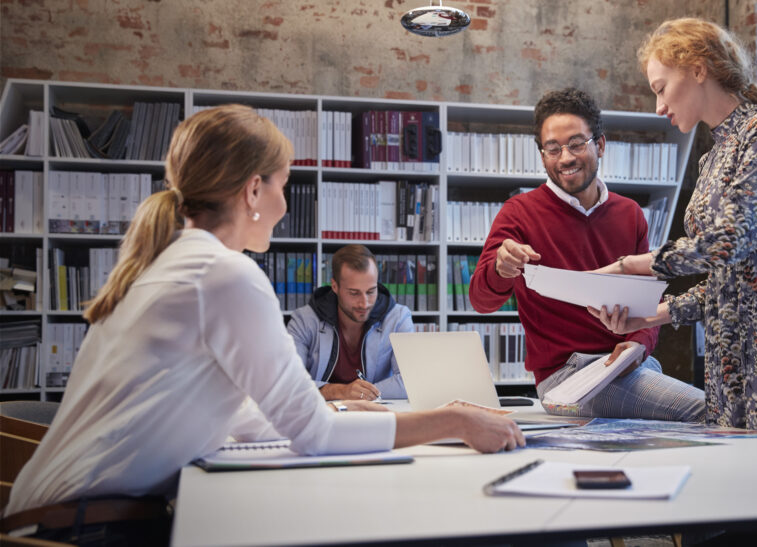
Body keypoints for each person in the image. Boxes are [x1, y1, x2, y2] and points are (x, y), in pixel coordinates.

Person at [6, 105, 523, 543]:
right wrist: (453, 419)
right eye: (284, 184)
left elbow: (255, 421)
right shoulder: (225, 274)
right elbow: (314, 434)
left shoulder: (171, 263)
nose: (284, 203)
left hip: (56, 518)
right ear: (253, 190)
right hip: (83, 528)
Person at [589, 17, 757, 439]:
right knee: (739, 474)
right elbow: (727, 279)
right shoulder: (712, 158)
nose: (659, 107)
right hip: (732, 342)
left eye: (660, 88)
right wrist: (650, 316)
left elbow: (727, 242)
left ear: (697, 69)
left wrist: (634, 265)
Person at [469, 87, 705, 422]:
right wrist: (499, 269)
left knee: (690, 411)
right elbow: (481, 302)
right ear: (542, 155)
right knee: (706, 409)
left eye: (576, 144)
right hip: (564, 376)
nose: (565, 157)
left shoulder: (630, 214)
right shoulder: (518, 213)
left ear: (601, 144)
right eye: (552, 149)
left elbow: (646, 303)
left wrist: (638, 345)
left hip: (624, 366)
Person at [288, 244, 411, 401]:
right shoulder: (303, 320)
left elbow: (410, 381)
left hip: (377, 415)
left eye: (371, 291)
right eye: (354, 293)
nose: (364, 303)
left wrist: (360, 394)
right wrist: (340, 391)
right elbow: (289, 383)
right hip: (323, 416)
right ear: (335, 286)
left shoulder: (399, 318)